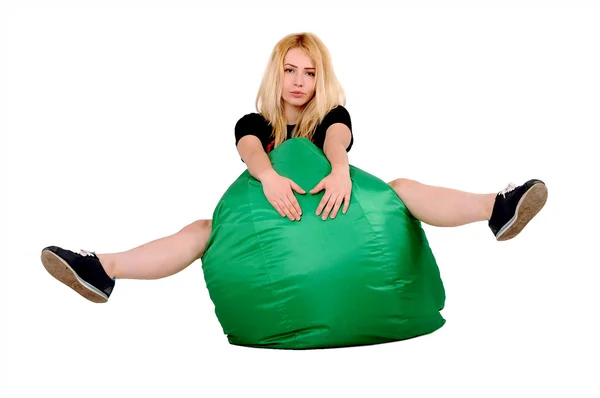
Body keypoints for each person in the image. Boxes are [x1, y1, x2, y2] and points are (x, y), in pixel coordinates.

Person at [40, 32, 548, 304]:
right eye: (290, 70)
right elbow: (250, 147)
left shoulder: (331, 117)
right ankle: (103, 268)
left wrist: (341, 168)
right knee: (203, 230)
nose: (300, 81)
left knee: (401, 188)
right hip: (276, 208)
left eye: (310, 72)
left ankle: (496, 208)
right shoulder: (257, 122)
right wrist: (267, 175)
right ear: (276, 74)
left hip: (338, 206)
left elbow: (337, 134)